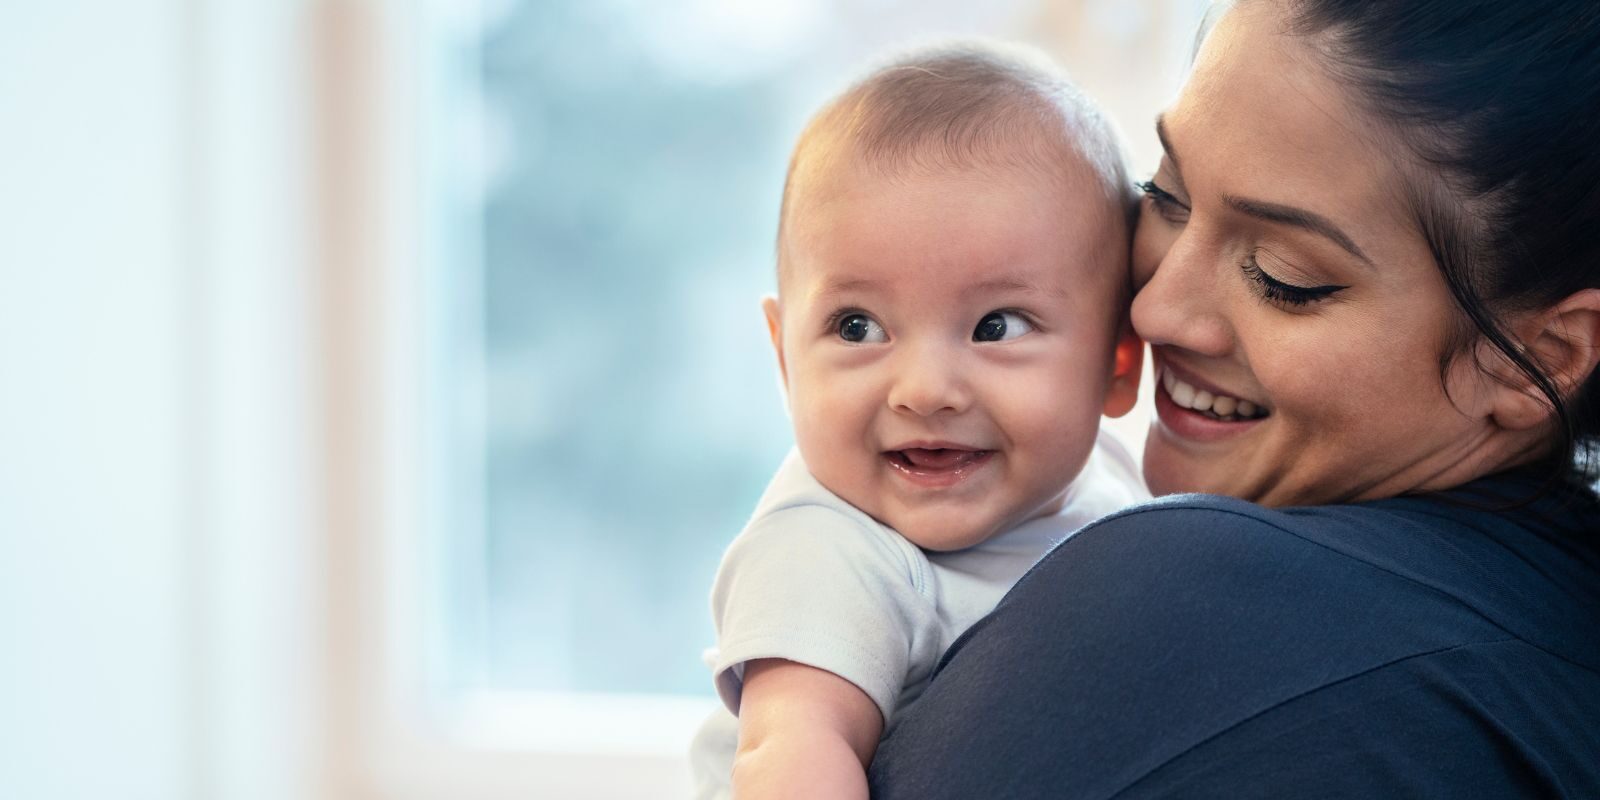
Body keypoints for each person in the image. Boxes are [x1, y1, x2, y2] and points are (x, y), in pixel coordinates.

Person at [867, 0, 1600, 797]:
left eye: (1285, 276)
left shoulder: (1189, 611)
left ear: (1534, 358)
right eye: (1167, 194)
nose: (1155, 310)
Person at [688, 42, 1149, 798]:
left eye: (996, 326)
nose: (925, 390)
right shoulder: (828, 547)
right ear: (784, 358)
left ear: (1118, 363)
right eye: (858, 327)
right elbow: (792, 749)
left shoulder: (1114, 482)